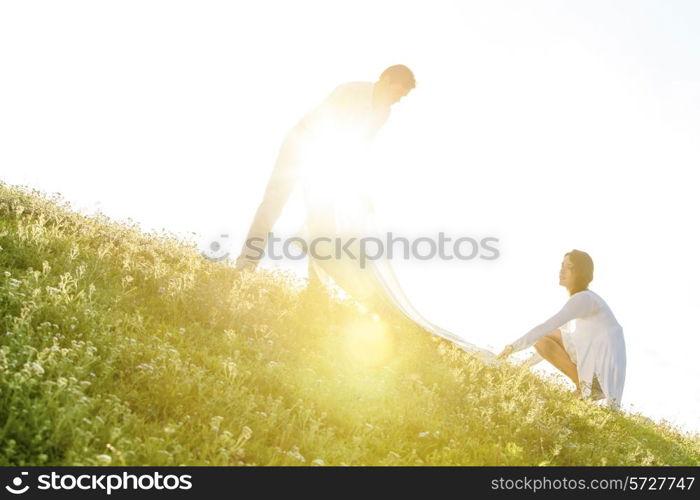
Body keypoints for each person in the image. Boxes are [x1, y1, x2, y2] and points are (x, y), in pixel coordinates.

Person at [235, 65, 416, 272]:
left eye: (402, 97)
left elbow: (359, 149)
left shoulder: (384, 112)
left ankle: (315, 284)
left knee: (322, 221)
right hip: (301, 145)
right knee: (273, 203)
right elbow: (326, 127)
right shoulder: (350, 91)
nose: (398, 99)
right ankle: (247, 263)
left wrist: (360, 191)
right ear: (384, 80)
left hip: (328, 161)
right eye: (397, 92)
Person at [497, 250, 626, 409]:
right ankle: (585, 387)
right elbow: (546, 344)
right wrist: (522, 368)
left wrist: (511, 348)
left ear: (580, 273)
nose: (562, 271)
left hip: (600, 367)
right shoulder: (584, 300)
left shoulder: (584, 299)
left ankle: (584, 387)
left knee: (544, 335)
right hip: (599, 368)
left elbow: (547, 327)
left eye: (569, 267)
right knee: (542, 341)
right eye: (562, 265)